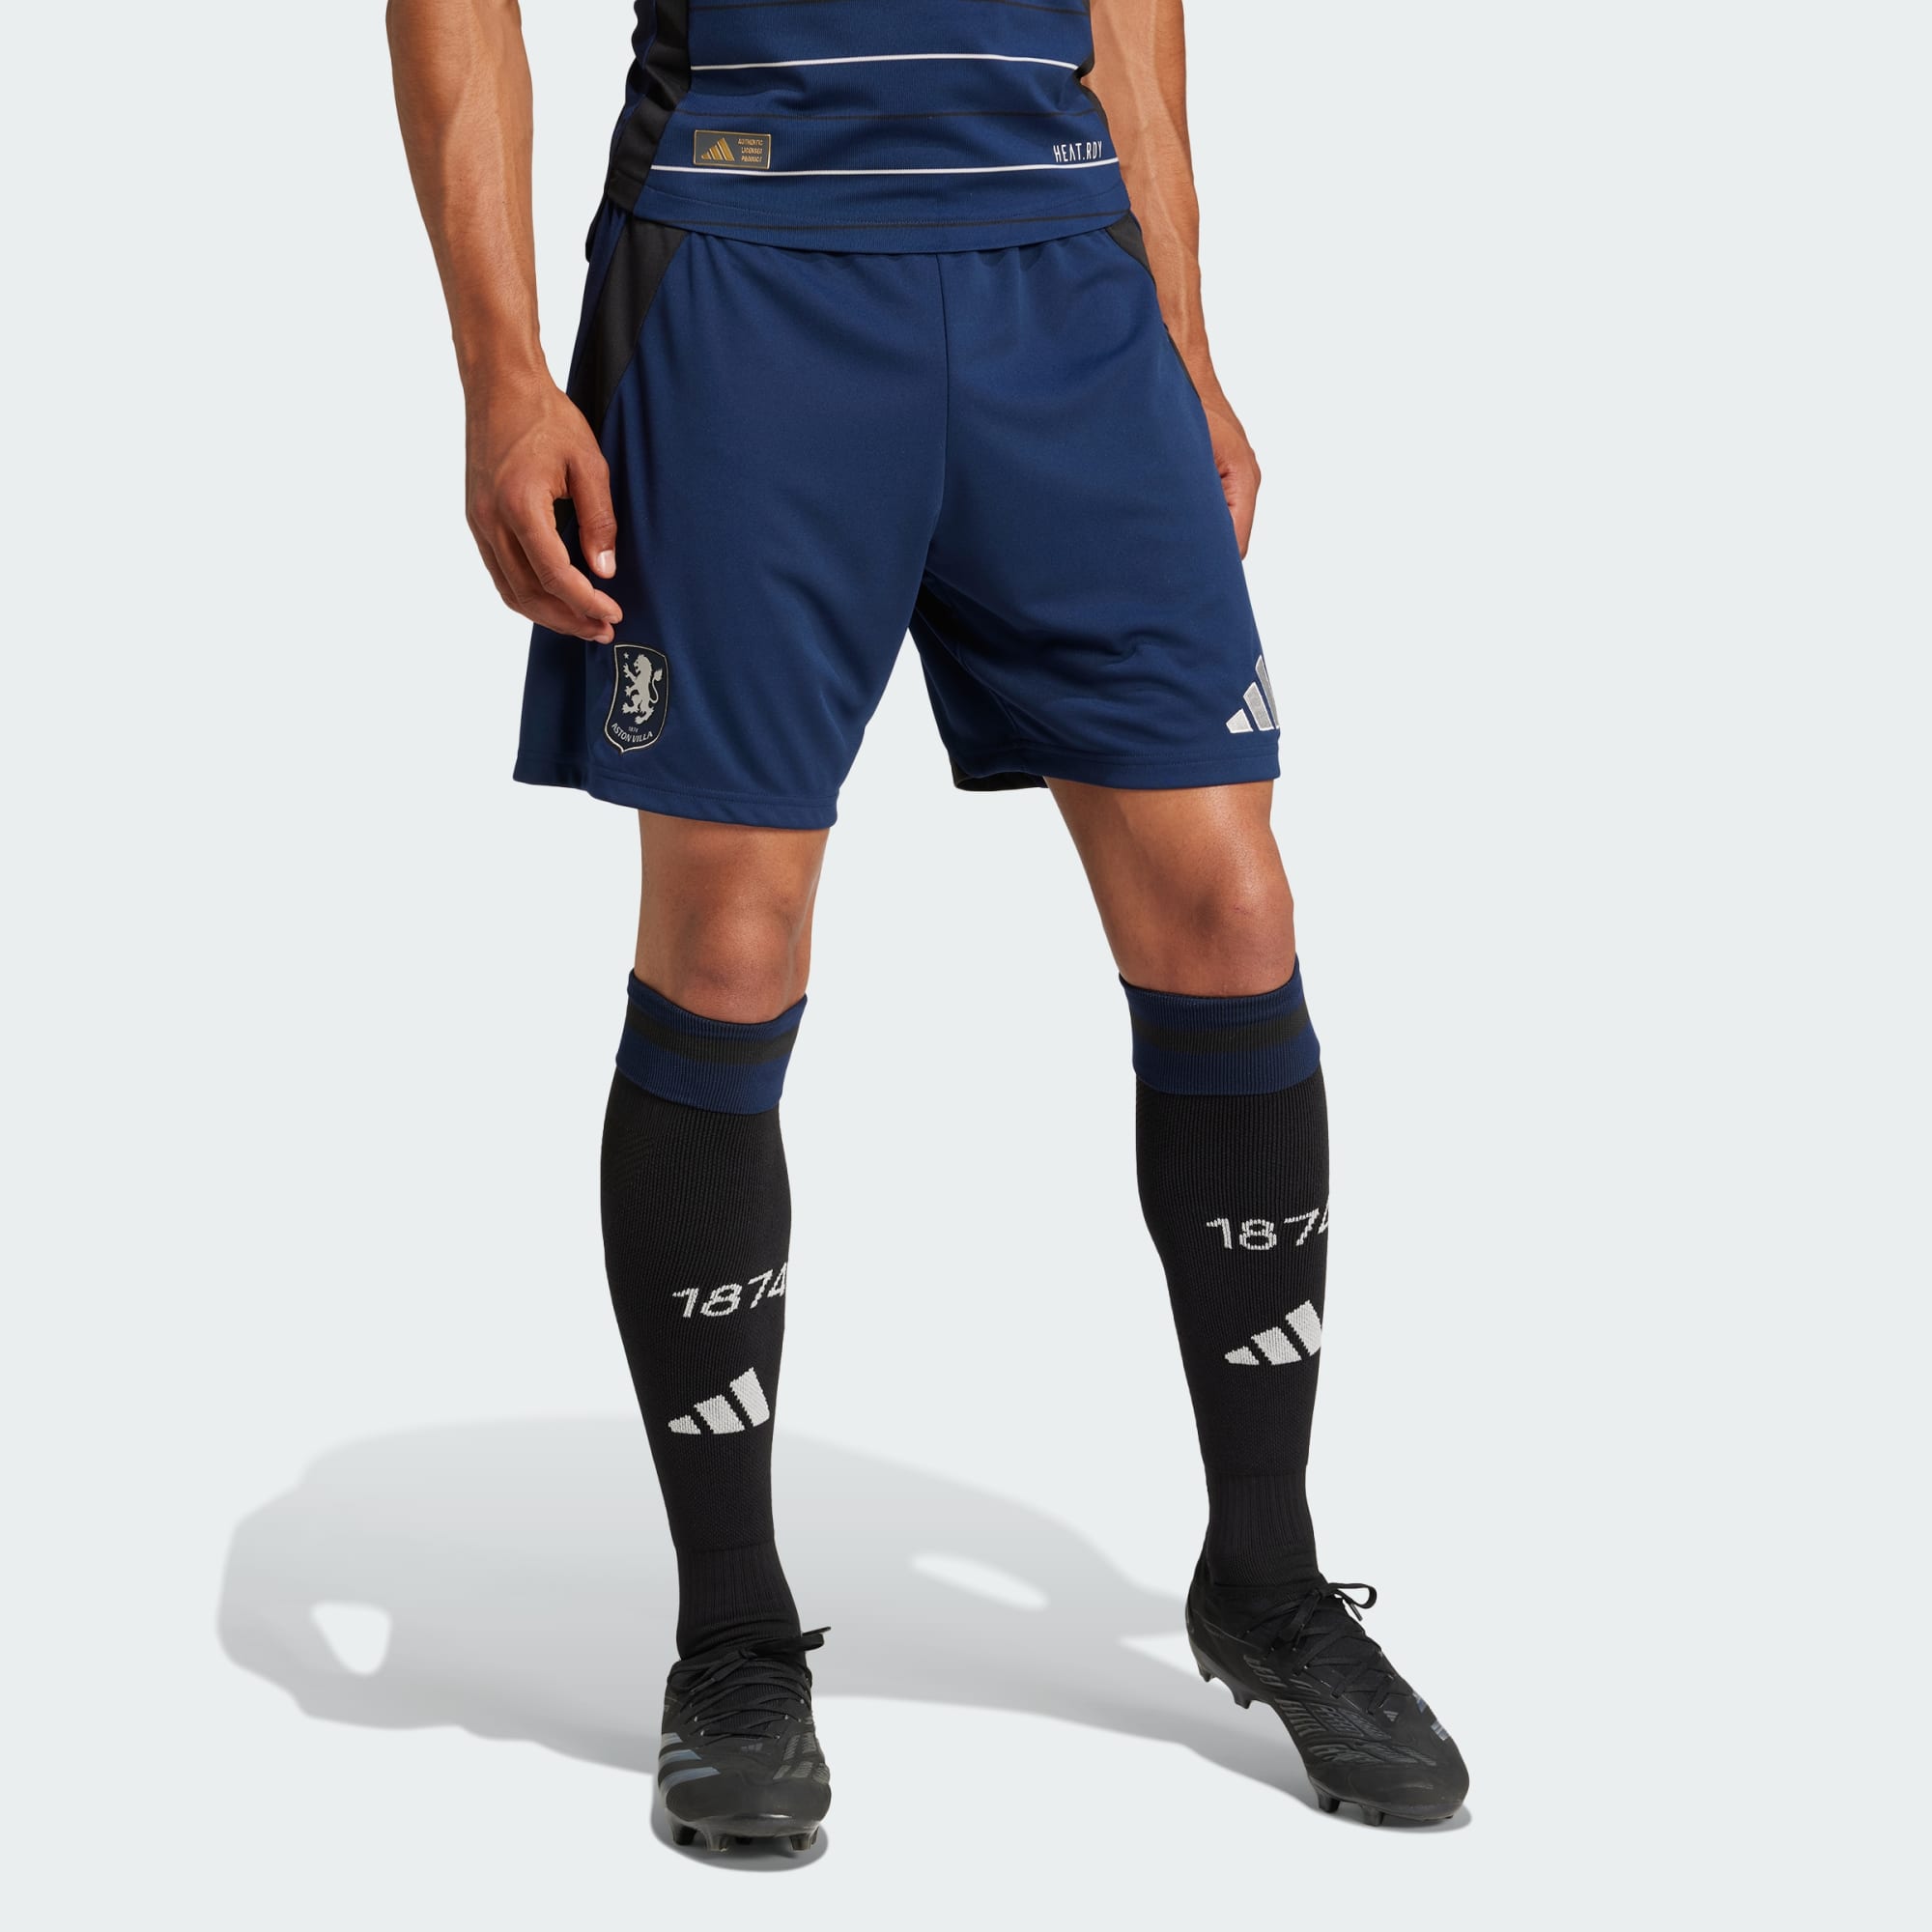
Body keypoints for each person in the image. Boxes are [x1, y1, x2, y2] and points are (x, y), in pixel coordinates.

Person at [387, 0, 1468, 1848]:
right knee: (729, 945)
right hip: (745, 258)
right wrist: (501, 373)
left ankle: (1270, 1583)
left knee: (1229, 909)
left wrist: (1184, 338)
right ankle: (733, 1636)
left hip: (1065, 272)